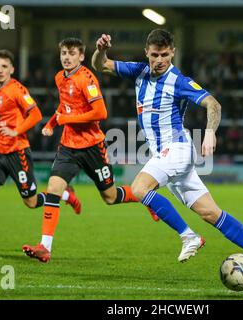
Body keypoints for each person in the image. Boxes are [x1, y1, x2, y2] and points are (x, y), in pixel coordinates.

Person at [91, 29, 243, 285]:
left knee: (139, 188)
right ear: (146, 52)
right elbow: (100, 65)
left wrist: (210, 133)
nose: (159, 60)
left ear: (173, 53)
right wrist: (101, 49)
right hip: (166, 154)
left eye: (165, 55)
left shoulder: (178, 81)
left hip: (177, 149)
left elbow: (214, 104)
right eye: (155, 54)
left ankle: (188, 236)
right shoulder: (138, 70)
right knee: (211, 213)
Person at [22, 38, 158, 263]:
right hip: (68, 147)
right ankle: (45, 247)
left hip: (93, 147)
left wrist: (67, 118)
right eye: (63, 53)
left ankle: (148, 198)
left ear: (81, 56)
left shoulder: (87, 79)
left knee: (110, 197)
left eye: (72, 53)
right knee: (54, 188)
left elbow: (101, 112)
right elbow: (64, 107)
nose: (66, 57)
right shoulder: (59, 78)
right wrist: (52, 124)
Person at [0, 49, 81, 253]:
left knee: (30, 202)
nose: (0, 70)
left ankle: (64, 195)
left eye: (5, 66)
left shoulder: (17, 90)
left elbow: (36, 114)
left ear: (12, 69)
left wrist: (15, 131)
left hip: (17, 153)